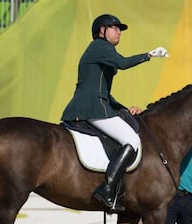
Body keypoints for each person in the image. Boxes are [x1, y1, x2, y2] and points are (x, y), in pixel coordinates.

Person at [61, 14, 168, 211]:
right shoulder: (100, 46)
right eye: (114, 27)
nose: (119, 31)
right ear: (102, 31)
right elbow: (123, 63)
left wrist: (123, 110)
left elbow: (104, 93)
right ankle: (107, 189)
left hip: (95, 104)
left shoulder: (101, 50)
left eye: (120, 28)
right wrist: (149, 55)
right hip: (91, 108)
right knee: (133, 140)